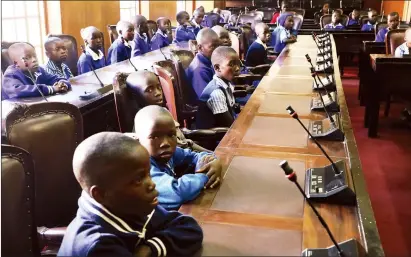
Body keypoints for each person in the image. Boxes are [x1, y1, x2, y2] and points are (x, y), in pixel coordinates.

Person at [57, 132, 203, 257]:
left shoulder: (128, 205)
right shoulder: (98, 245)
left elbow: (189, 228)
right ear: (100, 194)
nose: (152, 184)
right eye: (138, 180)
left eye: (148, 174)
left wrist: (149, 249)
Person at [134, 106, 222, 210]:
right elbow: (178, 193)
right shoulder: (143, 166)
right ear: (138, 140)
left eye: (171, 135)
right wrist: (204, 175)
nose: (165, 143)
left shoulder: (167, 152)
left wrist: (212, 163)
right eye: (154, 137)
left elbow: (195, 155)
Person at [126, 70, 211, 152]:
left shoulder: (162, 111)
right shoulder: (147, 121)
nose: (158, 93)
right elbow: (181, 147)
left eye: (159, 87)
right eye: (149, 90)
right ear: (136, 96)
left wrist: (211, 154)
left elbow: (185, 142)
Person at [2, 42, 71, 99]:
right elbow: (18, 91)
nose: (34, 60)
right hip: (17, 112)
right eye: (27, 58)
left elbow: (56, 78)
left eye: (34, 56)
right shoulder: (11, 75)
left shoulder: (39, 70)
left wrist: (62, 84)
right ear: (16, 63)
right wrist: (51, 89)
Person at [197, 46, 241, 129]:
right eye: (231, 64)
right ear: (217, 68)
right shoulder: (216, 93)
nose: (237, 68)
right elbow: (229, 125)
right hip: (215, 139)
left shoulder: (226, 84)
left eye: (238, 63)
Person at [186, 28, 220, 101]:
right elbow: (208, 99)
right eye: (213, 47)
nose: (217, 50)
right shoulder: (199, 70)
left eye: (218, 46)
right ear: (200, 48)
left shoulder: (209, 61)